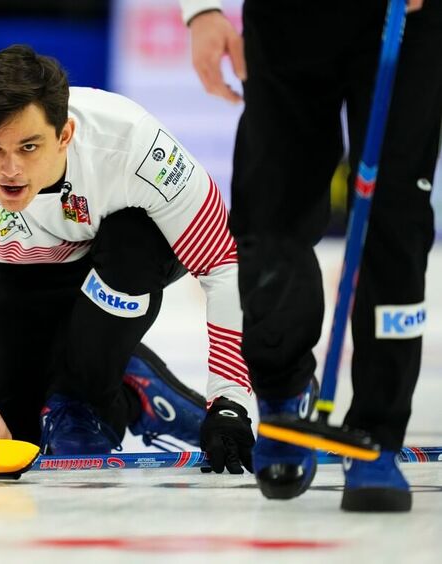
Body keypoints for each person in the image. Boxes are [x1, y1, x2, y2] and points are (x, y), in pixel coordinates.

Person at [0, 44, 255, 470]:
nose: (10, 170)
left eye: (28, 147)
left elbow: (223, 264)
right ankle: (132, 388)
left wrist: (229, 401)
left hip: (123, 256)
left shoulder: (132, 143)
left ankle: (86, 399)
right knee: (12, 436)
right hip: (19, 268)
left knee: (130, 246)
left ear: (65, 135)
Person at [181, 0, 441, 511]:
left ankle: (378, 432)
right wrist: (203, 10)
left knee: (396, 218)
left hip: (407, 17)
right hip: (288, 20)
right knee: (272, 212)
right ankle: (283, 397)